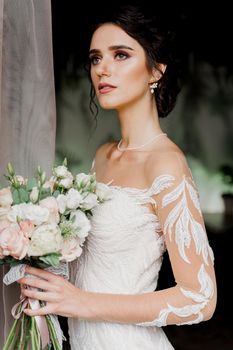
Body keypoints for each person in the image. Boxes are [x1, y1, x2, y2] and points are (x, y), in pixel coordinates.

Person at [18, 5, 217, 349]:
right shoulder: (103, 156)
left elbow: (200, 298)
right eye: (96, 58)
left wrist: (81, 302)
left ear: (156, 70)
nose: (103, 69)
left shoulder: (166, 165)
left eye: (121, 55)